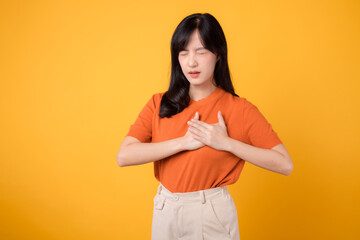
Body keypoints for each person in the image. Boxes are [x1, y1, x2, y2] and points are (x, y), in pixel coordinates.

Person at [116, 12, 293, 240]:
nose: (192, 61)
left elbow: (284, 164)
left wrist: (226, 143)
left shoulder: (238, 108)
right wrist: (183, 143)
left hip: (210, 212)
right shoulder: (159, 103)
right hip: (165, 208)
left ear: (218, 54)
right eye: (183, 52)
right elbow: (124, 156)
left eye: (201, 51)